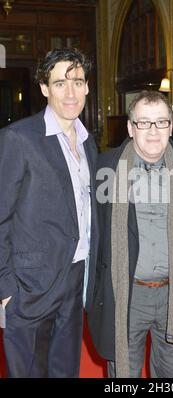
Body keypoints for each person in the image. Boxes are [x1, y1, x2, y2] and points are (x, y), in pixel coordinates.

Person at [87, 90, 173, 378]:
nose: (153, 131)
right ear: (130, 127)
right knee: (123, 374)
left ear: (171, 125)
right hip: (126, 293)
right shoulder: (106, 167)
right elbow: (95, 233)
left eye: (161, 122)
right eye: (144, 123)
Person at [0, 48, 99, 378]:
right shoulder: (18, 138)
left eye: (77, 82)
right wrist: (6, 290)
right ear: (44, 88)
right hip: (30, 286)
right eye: (60, 83)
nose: (70, 93)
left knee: (64, 370)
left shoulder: (89, 143)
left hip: (75, 278)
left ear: (87, 87)